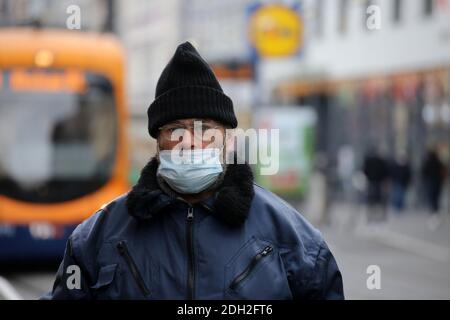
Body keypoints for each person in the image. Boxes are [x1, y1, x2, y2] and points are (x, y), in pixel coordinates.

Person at [42, 42, 344, 300]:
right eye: (175, 129)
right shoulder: (98, 238)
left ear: (227, 137)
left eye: (205, 128)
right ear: (158, 140)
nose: (189, 141)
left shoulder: (294, 239)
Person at [362, 148, 390, 223]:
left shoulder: (369, 161)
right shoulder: (381, 161)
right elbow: (385, 171)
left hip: (371, 181)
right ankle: (379, 215)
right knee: (379, 198)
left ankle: (371, 214)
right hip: (379, 181)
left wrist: (368, 176)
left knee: (371, 198)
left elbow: (365, 170)